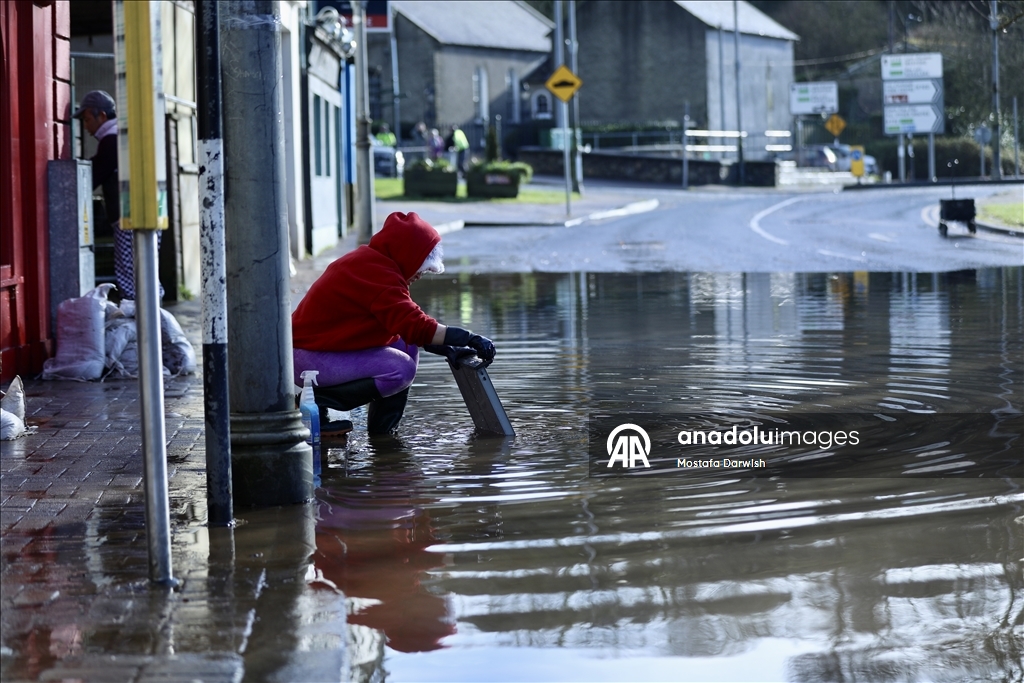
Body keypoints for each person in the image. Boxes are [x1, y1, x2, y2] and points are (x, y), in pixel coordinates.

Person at [291, 212, 496, 438]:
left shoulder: (375, 264)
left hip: (315, 350)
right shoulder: (376, 274)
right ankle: (318, 402)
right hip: (307, 358)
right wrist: (469, 338)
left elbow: (404, 325)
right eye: (422, 264)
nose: (421, 274)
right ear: (407, 253)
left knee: (406, 346)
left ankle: (383, 433)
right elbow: (416, 325)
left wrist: (448, 347)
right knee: (400, 369)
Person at [73, 90, 161, 302]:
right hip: (146, 213)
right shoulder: (124, 136)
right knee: (145, 272)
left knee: (130, 275)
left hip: (130, 217)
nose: (86, 127)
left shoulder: (112, 141)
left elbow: (94, 176)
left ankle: (139, 317)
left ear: (102, 115)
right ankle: (151, 315)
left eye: (87, 120)